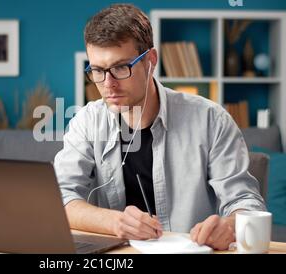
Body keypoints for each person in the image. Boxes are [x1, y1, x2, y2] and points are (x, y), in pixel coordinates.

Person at [53, 3, 266, 251]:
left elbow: (247, 204)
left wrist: (229, 225)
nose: (108, 84)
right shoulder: (86, 122)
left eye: (121, 67)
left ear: (150, 61)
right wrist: (115, 222)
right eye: (98, 70)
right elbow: (59, 200)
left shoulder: (211, 119)